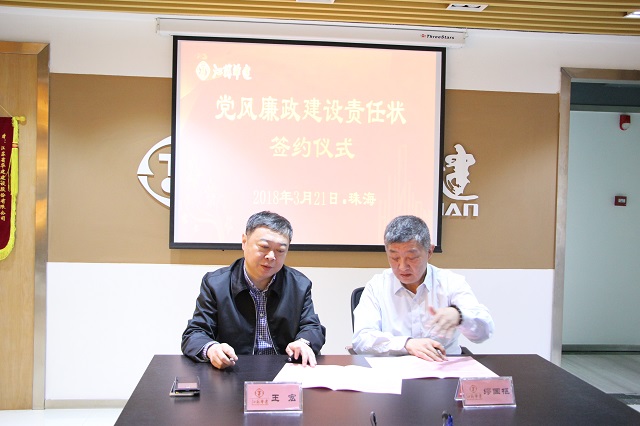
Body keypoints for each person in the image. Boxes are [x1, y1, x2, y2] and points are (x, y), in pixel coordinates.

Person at [181, 211, 326, 369]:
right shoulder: (216, 284)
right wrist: (211, 349)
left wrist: (303, 343)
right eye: (264, 247)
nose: (271, 256)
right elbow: (195, 333)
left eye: (280, 250)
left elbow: (312, 328)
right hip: (234, 370)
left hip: (285, 371)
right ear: (244, 242)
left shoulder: (299, 285)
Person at [352, 215, 494, 361]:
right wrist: (406, 344)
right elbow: (361, 339)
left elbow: (485, 332)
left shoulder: (450, 283)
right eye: (394, 258)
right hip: (395, 369)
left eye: (412, 258)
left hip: (443, 366)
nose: (402, 267)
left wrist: (460, 315)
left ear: (429, 252)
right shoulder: (377, 286)